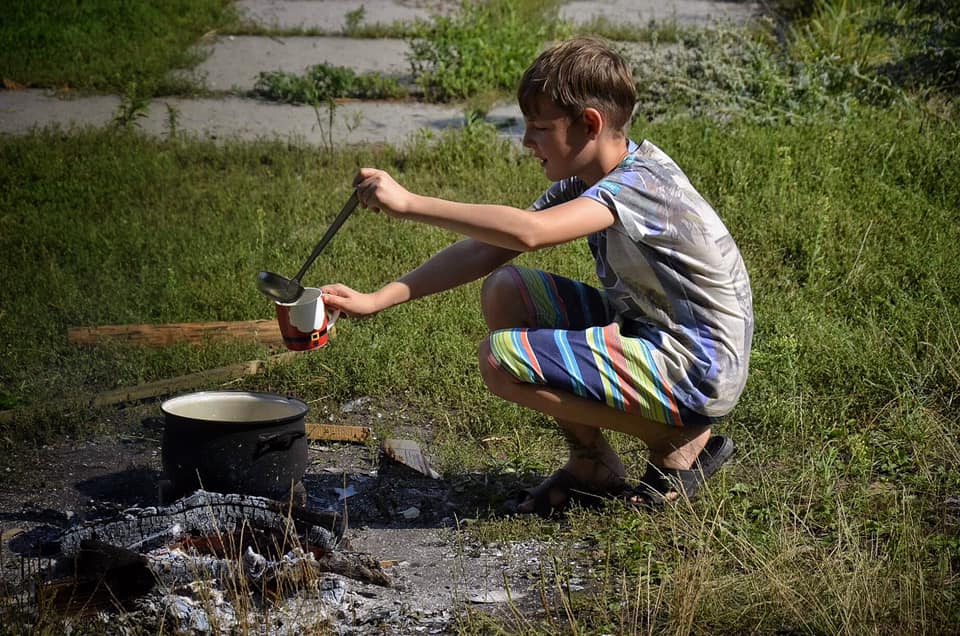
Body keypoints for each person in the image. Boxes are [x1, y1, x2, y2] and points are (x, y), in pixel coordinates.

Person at [321, 37, 753, 517]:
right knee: (506, 289)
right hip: (655, 330)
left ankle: (676, 440)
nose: (526, 142)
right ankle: (591, 463)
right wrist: (378, 298)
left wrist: (410, 204)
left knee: (500, 360)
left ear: (589, 124)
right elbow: (492, 248)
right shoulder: (590, 180)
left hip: (698, 364)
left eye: (540, 128)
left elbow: (529, 233)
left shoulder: (638, 185)